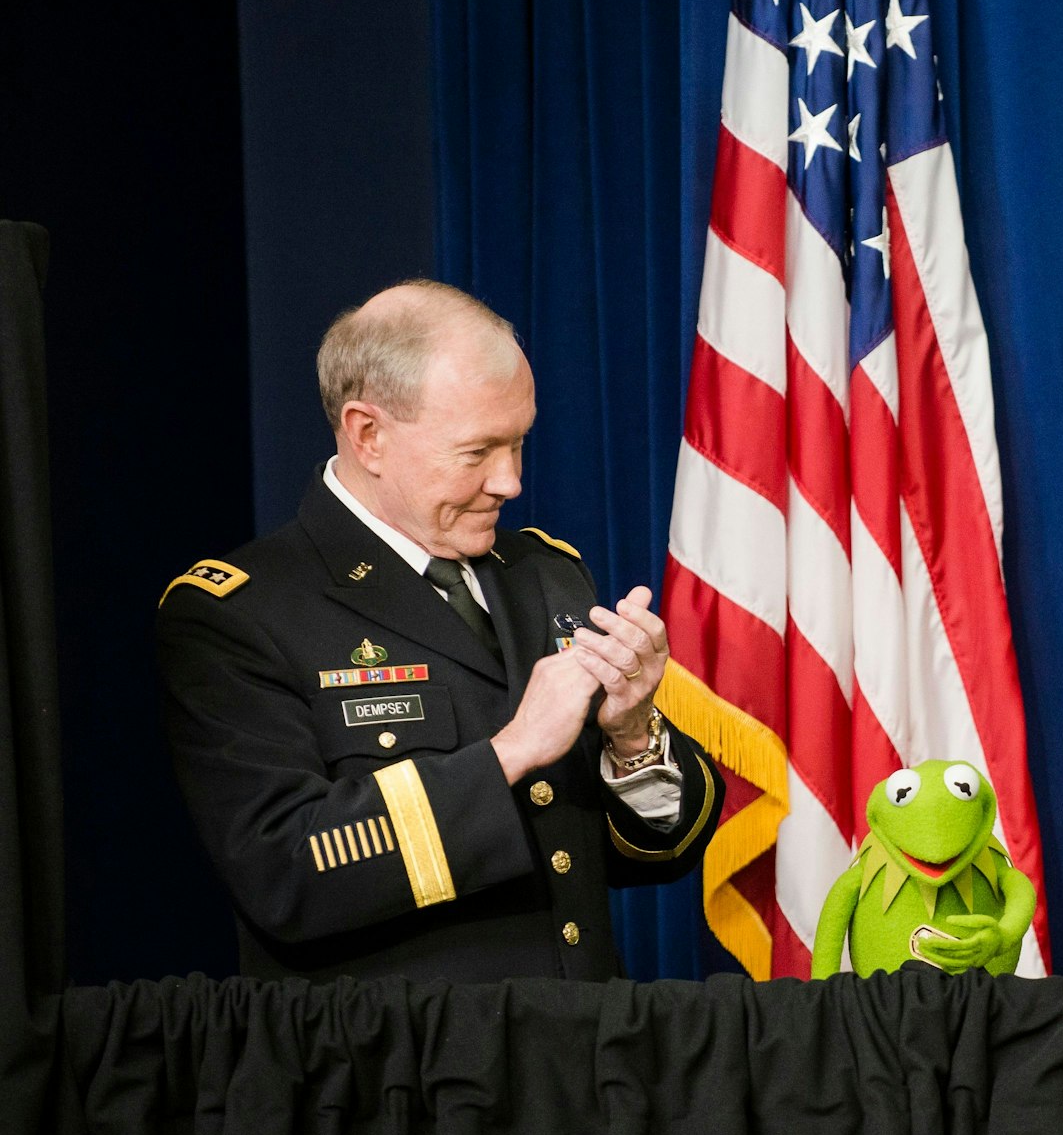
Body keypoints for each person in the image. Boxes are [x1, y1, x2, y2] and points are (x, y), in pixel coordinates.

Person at [156, 280, 724, 983]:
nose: (510, 481)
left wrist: (632, 734)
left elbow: (645, 854)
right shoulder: (242, 613)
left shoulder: (544, 574)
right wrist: (510, 753)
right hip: (396, 1075)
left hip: (581, 1063)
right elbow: (286, 871)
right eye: (478, 451)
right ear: (369, 435)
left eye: (519, 443)